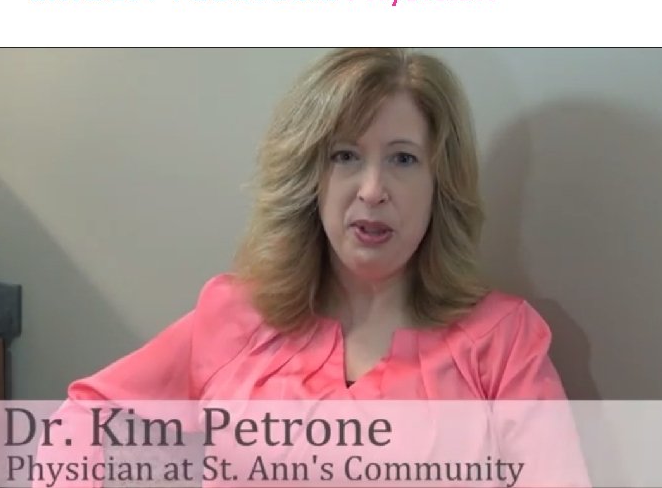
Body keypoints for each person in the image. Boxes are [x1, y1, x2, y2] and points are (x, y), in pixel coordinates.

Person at [30, 48, 586, 488]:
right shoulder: (236, 316)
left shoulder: (501, 343)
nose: (372, 190)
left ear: (440, 183)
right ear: (310, 178)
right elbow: (88, 412)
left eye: (403, 158)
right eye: (345, 156)